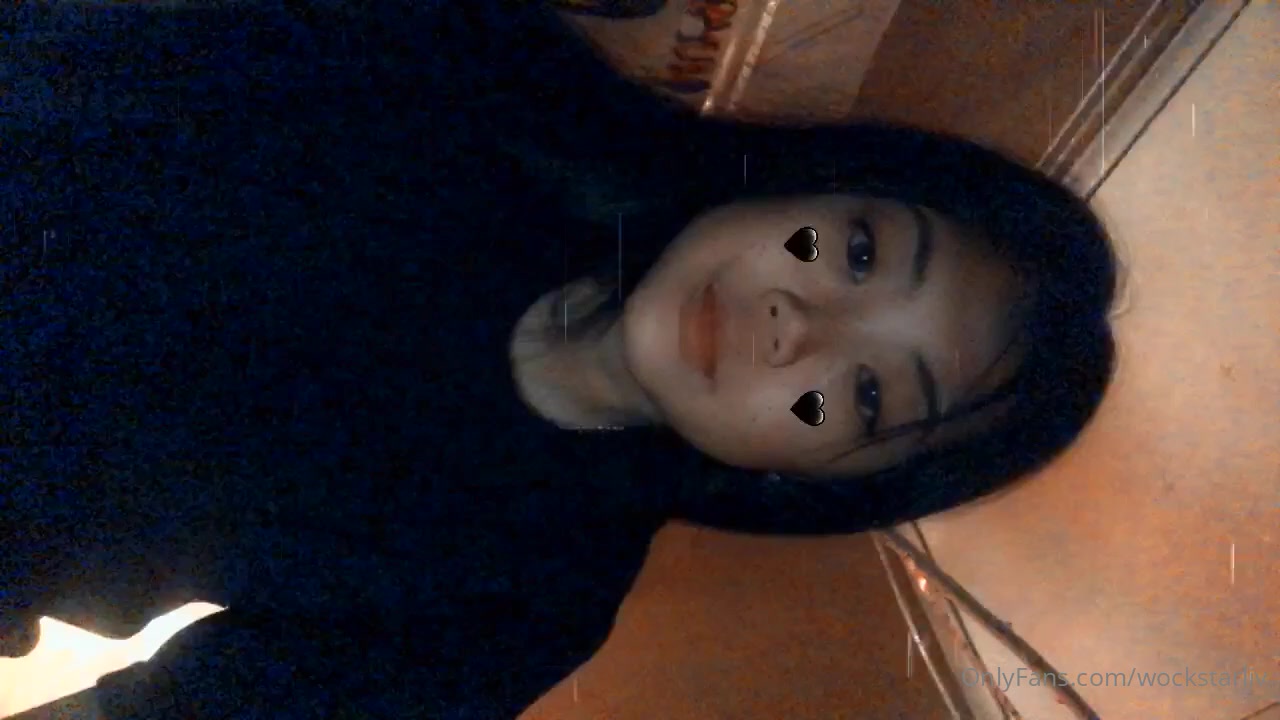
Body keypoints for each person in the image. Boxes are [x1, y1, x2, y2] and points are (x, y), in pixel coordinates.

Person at [0, 1, 1117, 717]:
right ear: (814, 183)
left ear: (818, 482)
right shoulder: (470, 81)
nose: (797, 324)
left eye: (860, 395)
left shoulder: (526, 599)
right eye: (853, 251)